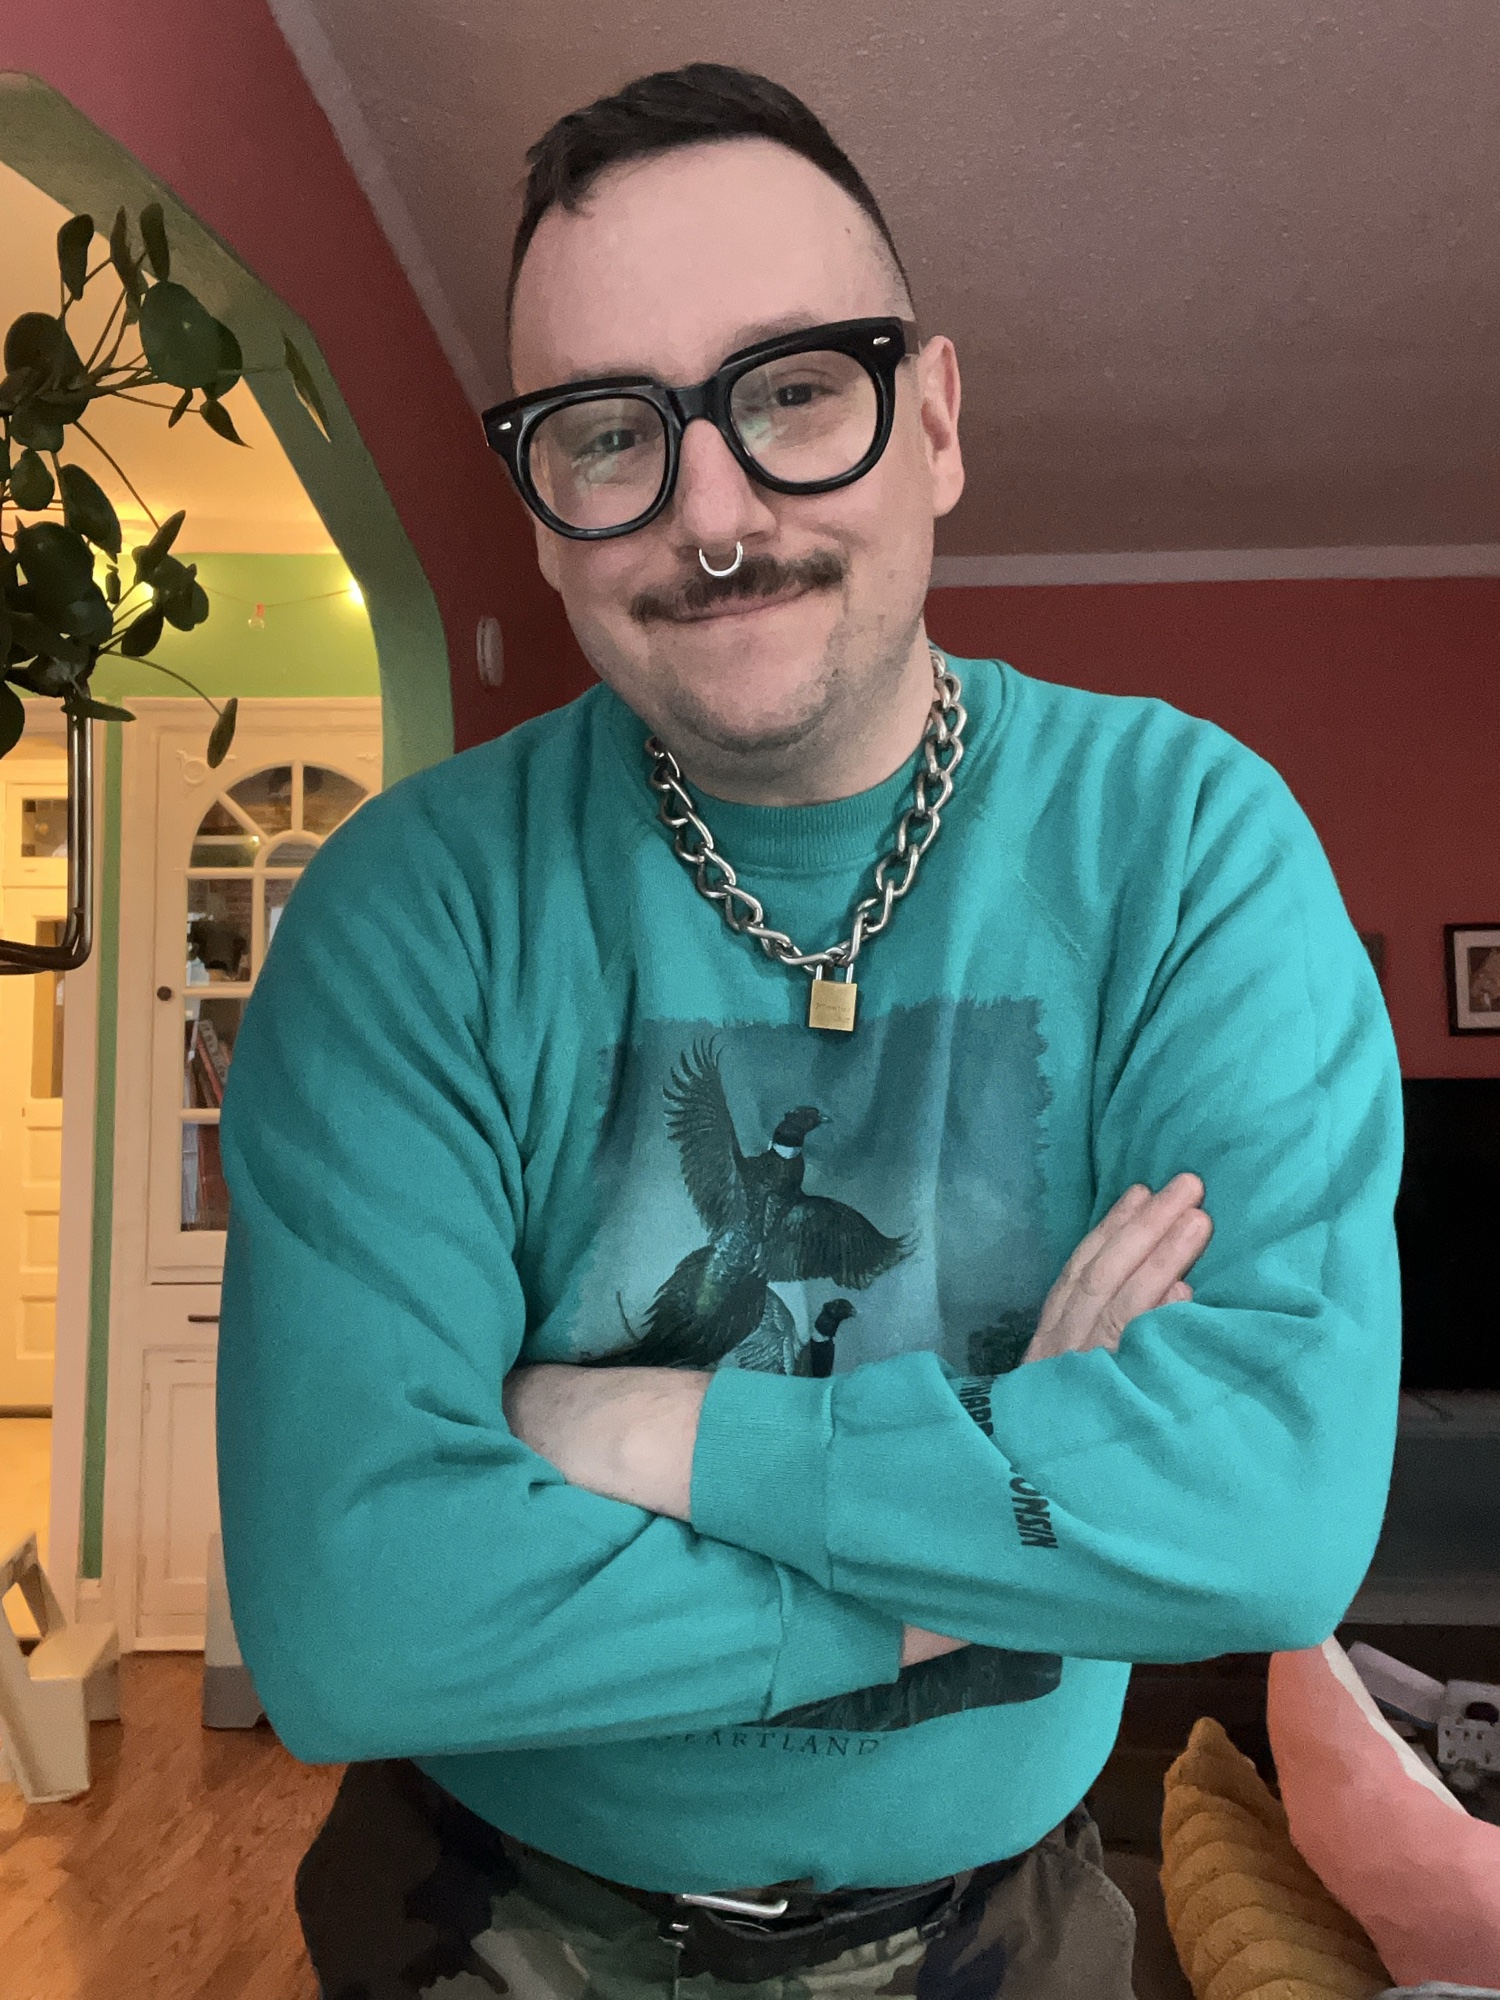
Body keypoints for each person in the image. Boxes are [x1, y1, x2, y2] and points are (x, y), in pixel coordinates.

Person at [215, 62, 1403, 2000]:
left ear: (931, 420)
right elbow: (360, 1616)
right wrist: (988, 1555)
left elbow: (1267, 1513)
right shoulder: (407, 917)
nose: (712, 511)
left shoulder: (1188, 847)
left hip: (1002, 1932)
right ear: (541, 513)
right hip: (488, 1927)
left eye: (791, 391)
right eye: (609, 430)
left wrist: (646, 1431)